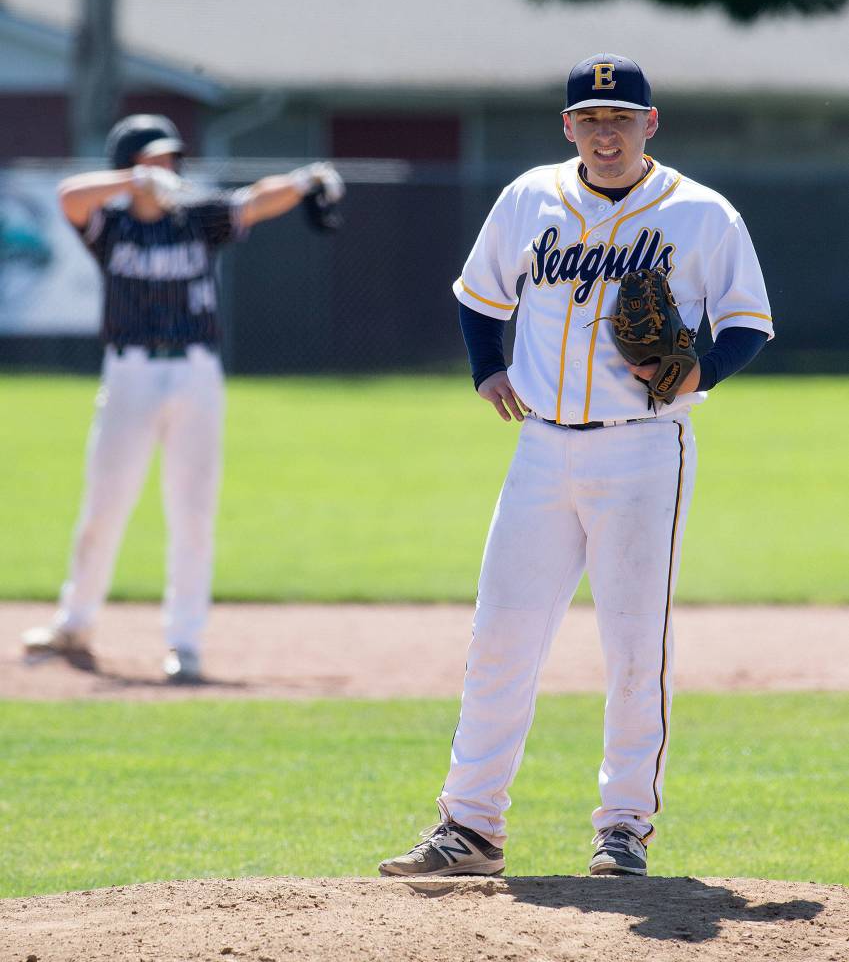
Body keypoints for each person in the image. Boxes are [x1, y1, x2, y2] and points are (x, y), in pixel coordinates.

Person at [379, 54, 773, 878]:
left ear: (649, 123)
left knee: (634, 644)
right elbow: (478, 294)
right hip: (540, 447)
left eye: (620, 117)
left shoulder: (702, 214)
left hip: (642, 445)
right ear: (567, 126)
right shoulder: (528, 196)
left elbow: (745, 323)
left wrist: (697, 371)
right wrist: (486, 367)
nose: (605, 132)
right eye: (590, 119)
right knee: (499, 637)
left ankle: (623, 825)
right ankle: (471, 826)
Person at [22, 114, 344, 683]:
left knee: (192, 512)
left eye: (169, 159)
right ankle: (74, 623)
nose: (165, 168)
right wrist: (131, 183)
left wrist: (301, 180)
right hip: (130, 373)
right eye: (152, 158)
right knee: (104, 506)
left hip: (195, 374)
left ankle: (185, 644)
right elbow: (68, 196)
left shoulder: (198, 219)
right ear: (127, 162)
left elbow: (254, 201)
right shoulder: (112, 226)